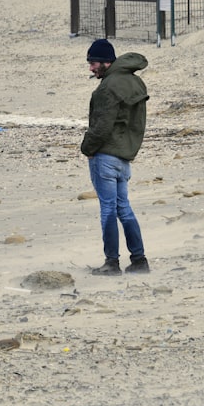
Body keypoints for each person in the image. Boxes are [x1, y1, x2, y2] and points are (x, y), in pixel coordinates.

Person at [81, 38, 150, 276]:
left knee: (108, 210)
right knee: (124, 209)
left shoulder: (107, 88)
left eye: (93, 63)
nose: (91, 68)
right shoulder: (135, 83)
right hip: (125, 155)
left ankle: (112, 263)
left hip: (106, 156)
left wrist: (87, 149)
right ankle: (139, 260)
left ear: (106, 62)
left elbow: (101, 126)